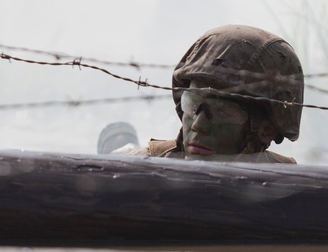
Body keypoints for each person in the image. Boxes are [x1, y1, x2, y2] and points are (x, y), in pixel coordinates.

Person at [123, 24, 305, 163]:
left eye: (221, 112)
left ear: (266, 131)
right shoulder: (141, 171)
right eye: (192, 104)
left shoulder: (294, 189)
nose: (198, 125)